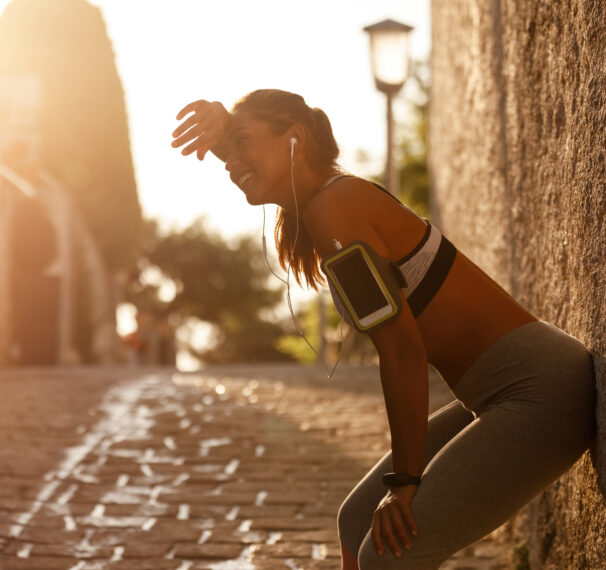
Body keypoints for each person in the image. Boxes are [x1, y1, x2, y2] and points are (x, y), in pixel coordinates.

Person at [170, 89, 596, 569]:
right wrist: (224, 132)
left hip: (543, 391)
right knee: (356, 522)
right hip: (500, 391)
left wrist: (405, 482)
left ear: (295, 139)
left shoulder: (335, 208)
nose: (231, 163)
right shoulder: (329, 200)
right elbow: (251, 161)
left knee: (387, 554)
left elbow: (402, 350)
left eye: (244, 141)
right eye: (229, 151)